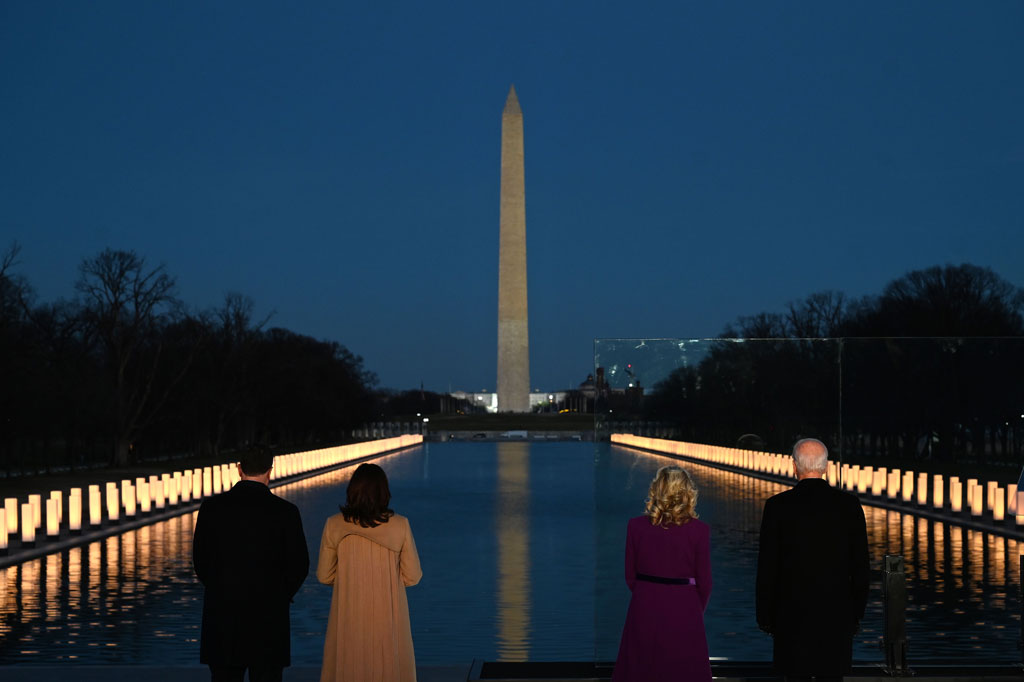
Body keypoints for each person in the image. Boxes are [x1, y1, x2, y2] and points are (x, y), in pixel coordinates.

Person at [756, 438, 870, 682]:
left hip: (791, 616)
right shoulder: (849, 505)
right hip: (836, 615)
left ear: (794, 466)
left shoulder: (777, 506)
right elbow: (861, 567)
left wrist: (765, 616)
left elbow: (767, 568)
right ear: (826, 467)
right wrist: (856, 613)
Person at [193, 445, 310, 682]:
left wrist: (220, 588)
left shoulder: (211, 508)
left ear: (239, 469)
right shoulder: (286, 512)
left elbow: (201, 561)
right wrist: (280, 594)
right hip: (269, 619)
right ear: (270, 471)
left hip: (223, 616)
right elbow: (299, 565)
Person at [317, 462, 422, 682]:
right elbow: (413, 576)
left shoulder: (334, 525)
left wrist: (351, 578)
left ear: (352, 491)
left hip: (349, 615)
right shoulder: (401, 525)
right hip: (388, 617)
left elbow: (324, 575)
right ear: (384, 492)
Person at [612, 465, 713, 682]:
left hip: (644, 605)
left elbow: (630, 576)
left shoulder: (635, 526)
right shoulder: (700, 530)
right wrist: (694, 610)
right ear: (687, 492)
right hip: (685, 607)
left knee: (641, 668)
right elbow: (705, 583)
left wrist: (647, 594)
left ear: (657, 490)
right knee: (684, 670)